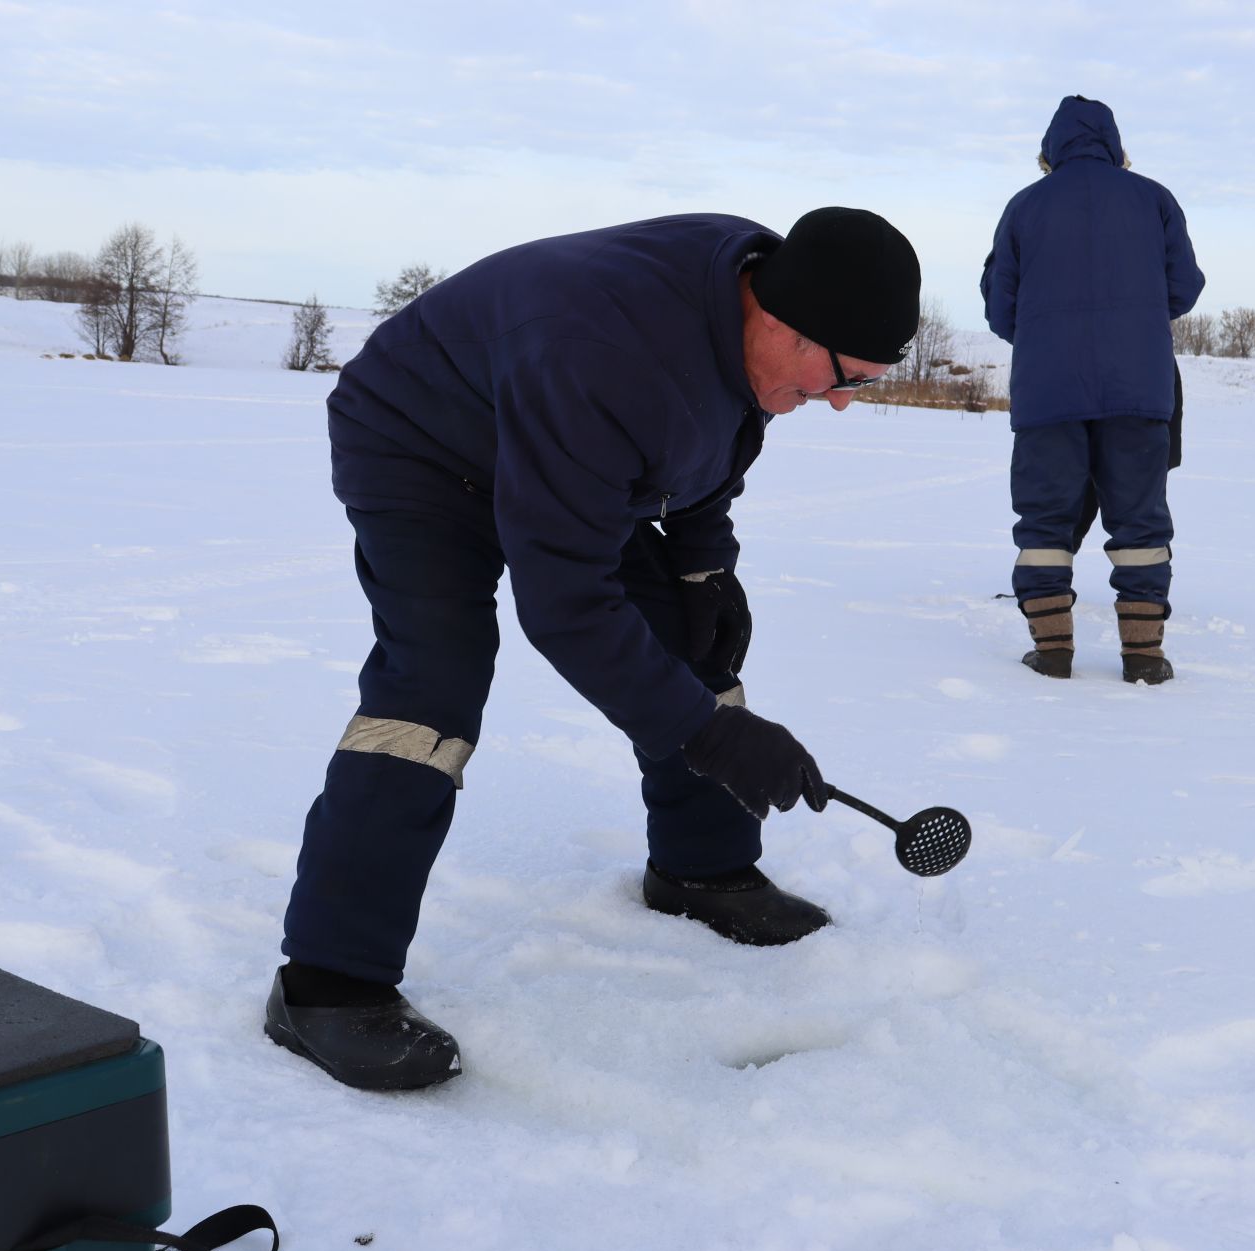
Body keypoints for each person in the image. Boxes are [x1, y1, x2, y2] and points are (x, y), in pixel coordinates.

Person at [266, 208, 922, 1091]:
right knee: (433, 686)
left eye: (866, 384)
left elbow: (710, 444)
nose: (842, 400)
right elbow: (567, 604)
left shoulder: (760, 291)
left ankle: (703, 870)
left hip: (560, 444)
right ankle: (326, 986)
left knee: (688, 638)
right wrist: (715, 736)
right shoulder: (605, 355)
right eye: (843, 378)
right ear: (781, 321)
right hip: (421, 443)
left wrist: (700, 570)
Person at [981, 96, 1204, 683]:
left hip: (1048, 392)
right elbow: (1184, 286)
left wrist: (1044, 336)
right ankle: (1144, 656)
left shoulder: (1024, 207)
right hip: (1139, 389)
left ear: (1049, 153)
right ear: (1115, 147)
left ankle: (1052, 649)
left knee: (1045, 520)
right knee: (1139, 523)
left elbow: (1000, 306)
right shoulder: (1154, 199)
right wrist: (1135, 319)